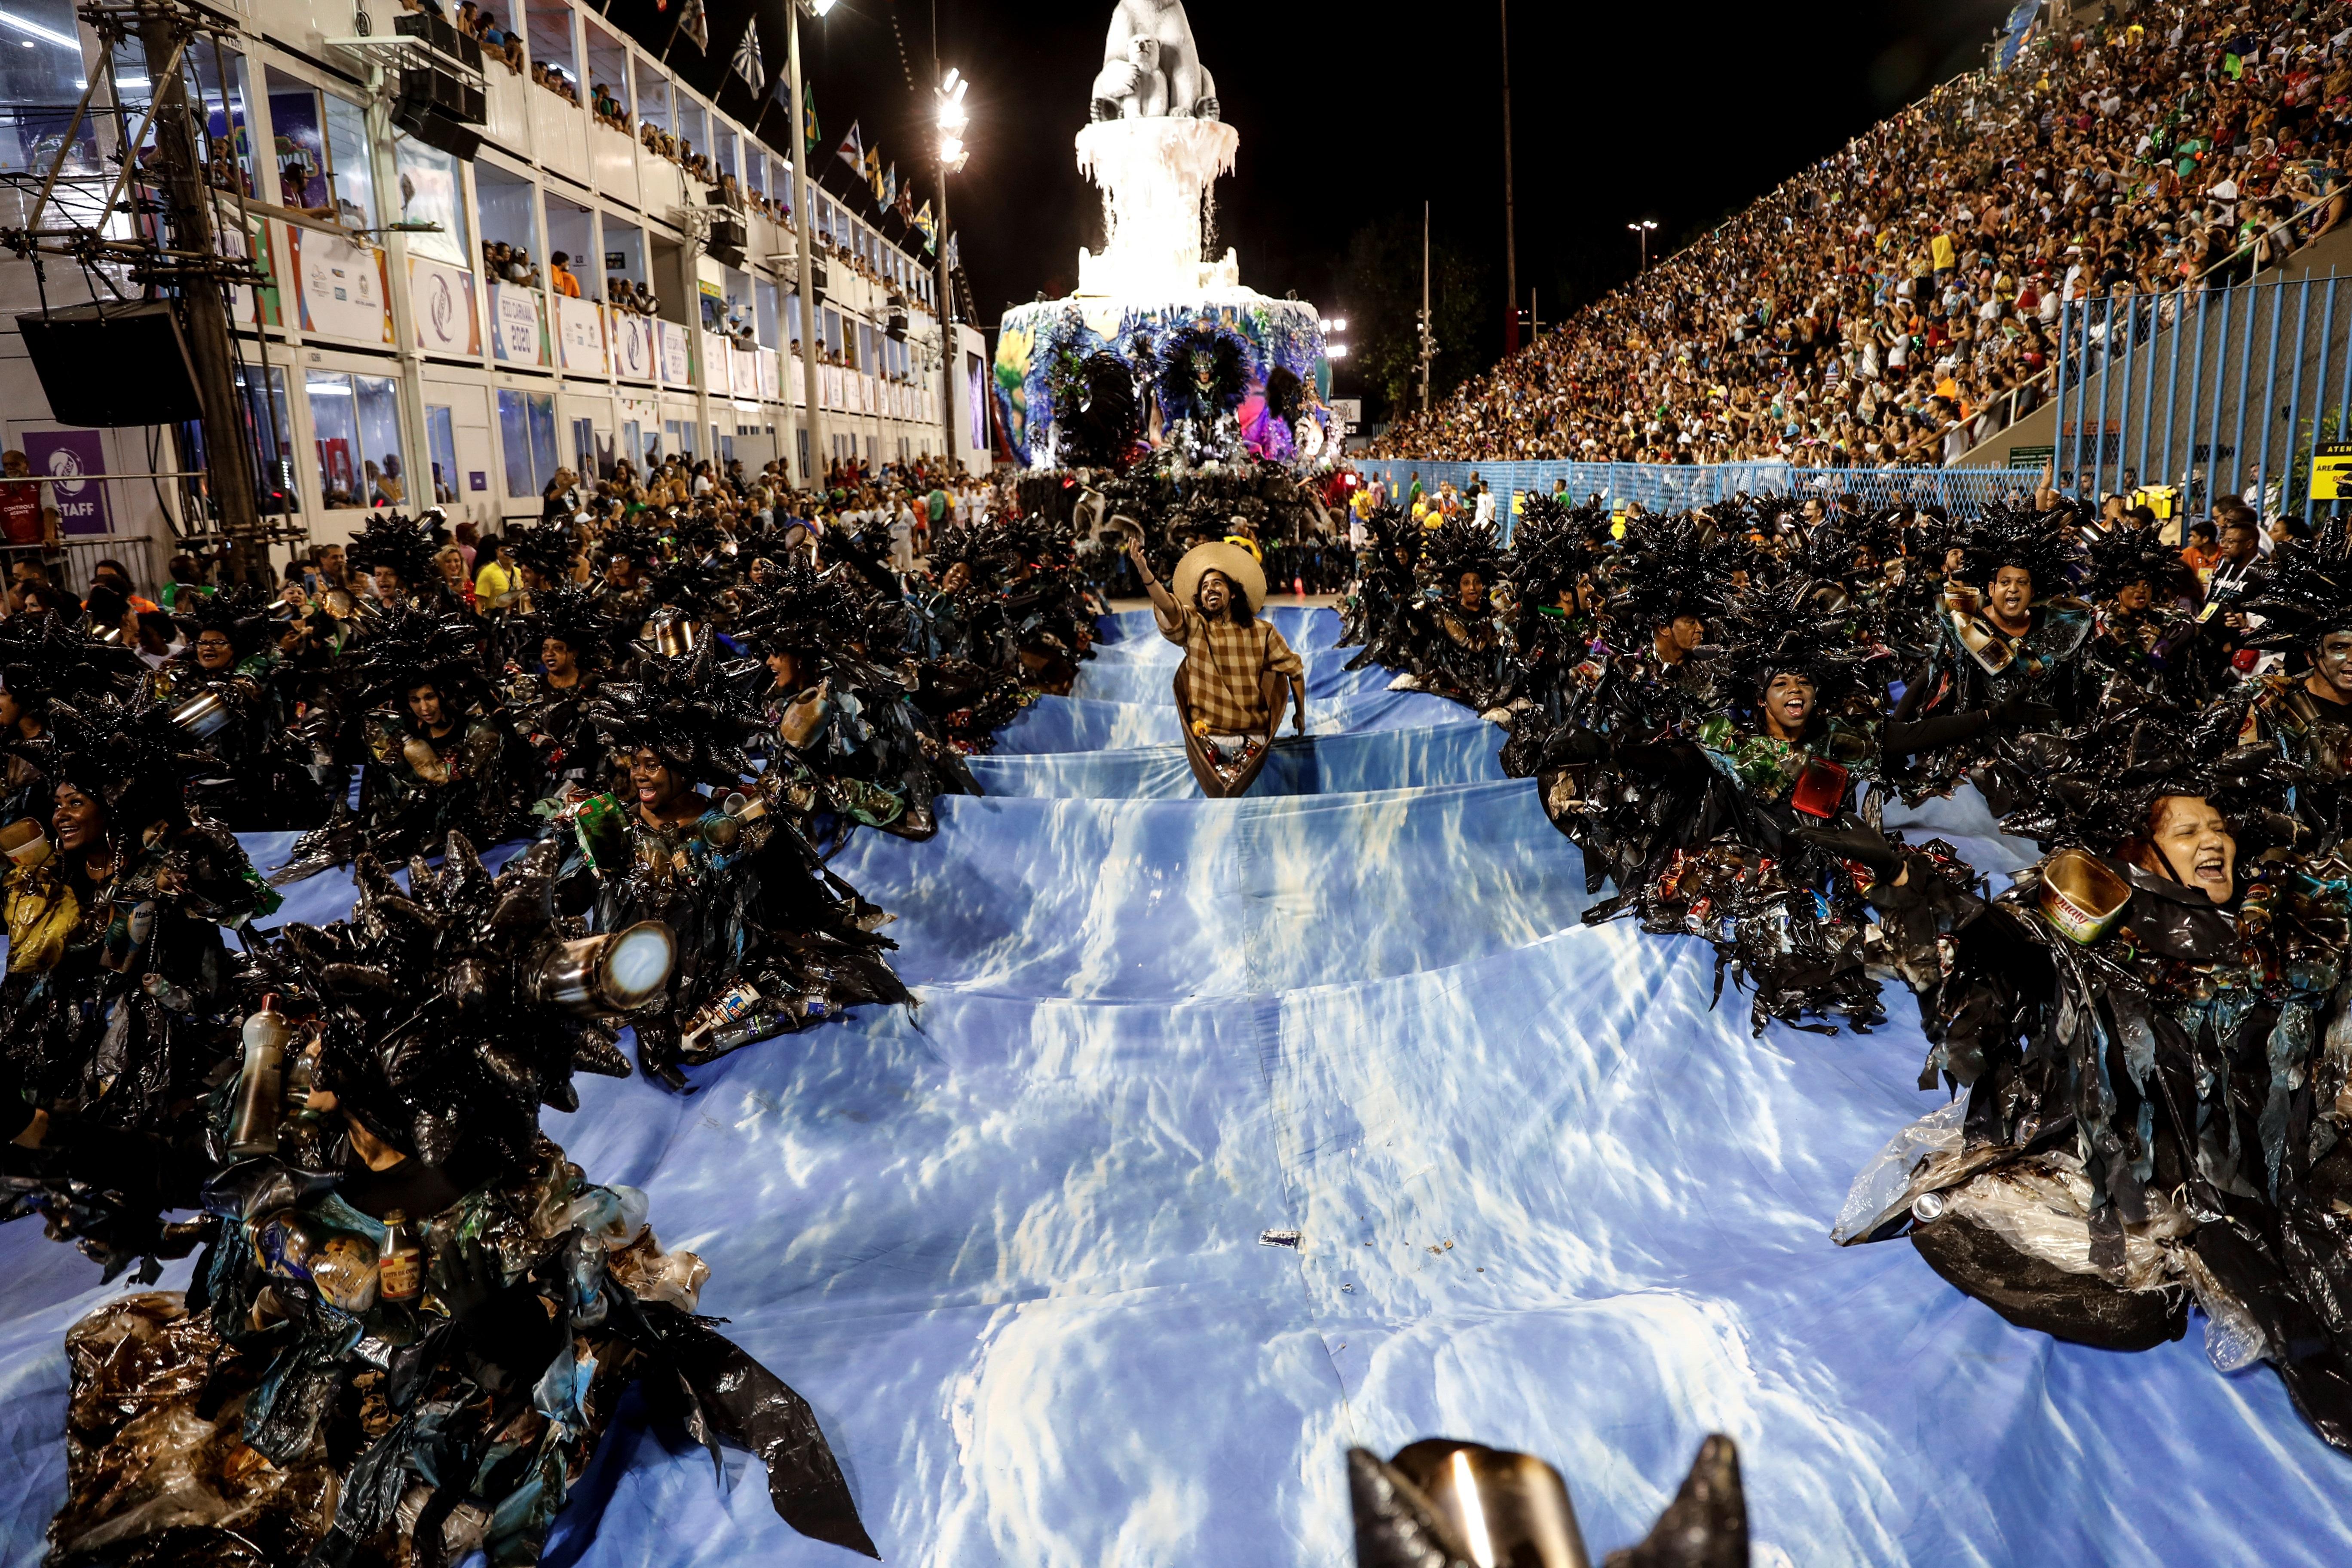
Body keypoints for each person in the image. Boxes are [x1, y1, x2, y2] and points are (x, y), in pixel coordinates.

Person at [1127, 533, 1304, 798]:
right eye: (1205, 586)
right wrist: (1145, 574)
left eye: (1217, 583)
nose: (1209, 589)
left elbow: (1295, 670)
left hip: (1253, 740)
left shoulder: (1263, 632)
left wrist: (1301, 713)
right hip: (1207, 740)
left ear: (1233, 594)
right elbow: (1169, 606)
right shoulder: (1195, 627)